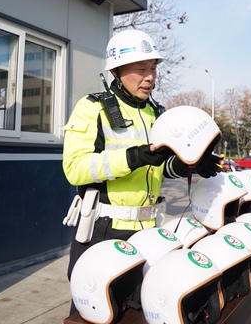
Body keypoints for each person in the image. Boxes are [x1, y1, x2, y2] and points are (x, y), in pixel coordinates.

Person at [62, 29, 220, 316]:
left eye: (153, 68)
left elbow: (160, 166)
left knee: (139, 313)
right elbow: (75, 169)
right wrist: (133, 157)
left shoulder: (156, 113)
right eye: (141, 69)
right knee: (95, 314)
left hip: (149, 232)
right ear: (117, 70)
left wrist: (190, 165)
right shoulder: (92, 107)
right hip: (103, 231)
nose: (150, 77)